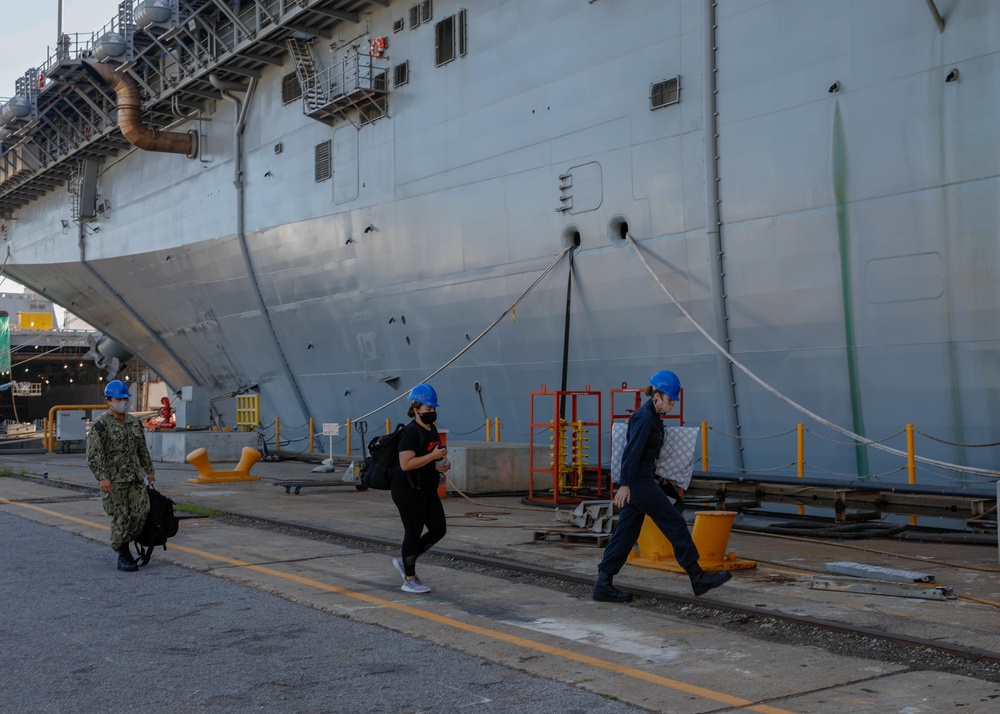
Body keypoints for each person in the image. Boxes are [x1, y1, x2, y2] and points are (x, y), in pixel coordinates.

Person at [593, 370, 731, 602]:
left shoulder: (653, 416)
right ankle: (697, 577)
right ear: (656, 395)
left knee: (626, 532)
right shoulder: (644, 417)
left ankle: (603, 584)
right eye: (669, 399)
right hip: (638, 481)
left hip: (643, 480)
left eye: (674, 399)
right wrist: (625, 484)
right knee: (674, 522)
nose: (672, 403)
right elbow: (631, 452)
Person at [86, 379, 156, 572]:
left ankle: (124, 541)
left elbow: (142, 450)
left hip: (134, 477)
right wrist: (103, 477)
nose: (123, 402)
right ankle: (123, 552)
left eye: (125, 399)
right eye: (119, 399)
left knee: (141, 512)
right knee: (121, 517)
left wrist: (149, 470)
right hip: (114, 481)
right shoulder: (101, 425)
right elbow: (93, 455)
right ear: (109, 401)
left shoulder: (134, 422)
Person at [391, 383, 450, 594]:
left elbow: (435, 454)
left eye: (433, 409)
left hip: (426, 488)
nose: (432, 413)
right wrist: (433, 457)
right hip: (407, 490)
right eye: (428, 410)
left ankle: (405, 561)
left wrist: (443, 462)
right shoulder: (410, 433)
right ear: (416, 409)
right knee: (413, 532)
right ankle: (409, 578)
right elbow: (406, 464)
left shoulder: (431, 428)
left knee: (438, 529)